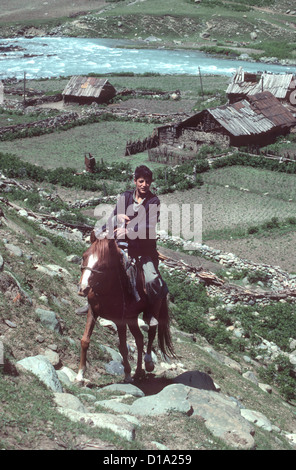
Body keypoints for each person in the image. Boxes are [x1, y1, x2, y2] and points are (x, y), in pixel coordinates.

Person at [77, 165, 168, 326]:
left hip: (142, 249)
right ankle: (91, 302)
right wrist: (112, 221)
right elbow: (112, 218)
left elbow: (149, 226)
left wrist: (128, 231)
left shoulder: (154, 201)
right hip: (120, 246)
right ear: (135, 181)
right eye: (141, 181)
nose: (144, 185)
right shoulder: (125, 197)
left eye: (147, 182)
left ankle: (149, 311)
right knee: (100, 267)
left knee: (152, 279)